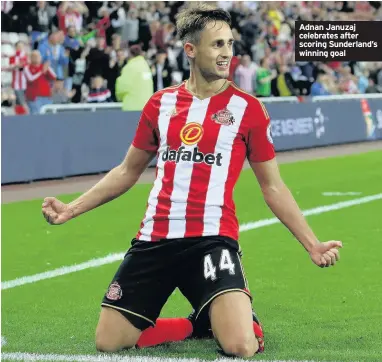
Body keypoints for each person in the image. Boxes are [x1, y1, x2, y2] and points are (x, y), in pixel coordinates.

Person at [42, 4, 342, 358]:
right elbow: (127, 171)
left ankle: (240, 320)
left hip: (212, 240)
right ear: (190, 49)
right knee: (109, 341)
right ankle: (197, 324)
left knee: (241, 346)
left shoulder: (249, 109)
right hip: (156, 237)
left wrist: (311, 244)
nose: (226, 53)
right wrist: (71, 209)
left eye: (229, 44)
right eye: (217, 44)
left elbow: (272, 186)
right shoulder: (160, 104)